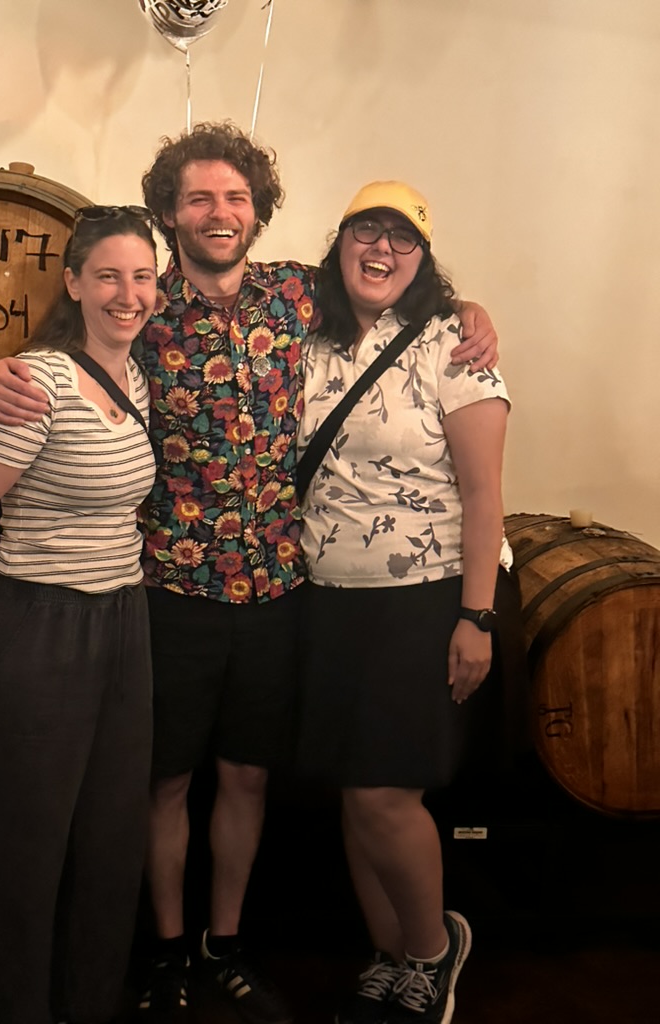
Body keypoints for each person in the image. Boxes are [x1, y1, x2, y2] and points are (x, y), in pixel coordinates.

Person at [0, 123, 500, 1024]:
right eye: (200, 198)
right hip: (168, 588)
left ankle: (226, 944)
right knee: (165, 783)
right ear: (172, 212)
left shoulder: (298, 295)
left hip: (276, 587)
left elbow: (399, 287)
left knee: (248, 778)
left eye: (236, 197)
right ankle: (169, 950)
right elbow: (53, 360)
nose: (220, 213)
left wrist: (475, 312)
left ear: (258, 211)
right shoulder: (142, 301)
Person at [295, 180, 513, 1024]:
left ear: (422, 257)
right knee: (355, 790)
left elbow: (485, 494)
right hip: (328, 597)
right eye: (366, 231)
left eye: (402, 238)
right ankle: (389, 954)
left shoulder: (452, 344)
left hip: (421, 597)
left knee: (387, 794)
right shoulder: (308, 338)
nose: (381, 250)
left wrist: (476, 618)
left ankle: (432, 951)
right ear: (339, 242)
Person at [0, 206, 158, 1024]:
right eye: (108, 276)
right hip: (39, 628)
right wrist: (27, 584)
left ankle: (85, 1004)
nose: (127, 294)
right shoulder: (38, 382)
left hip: (124, 622)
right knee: (24, 846)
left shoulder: (138, 376)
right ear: (73, 283)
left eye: (141, 277)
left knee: (110, 836)